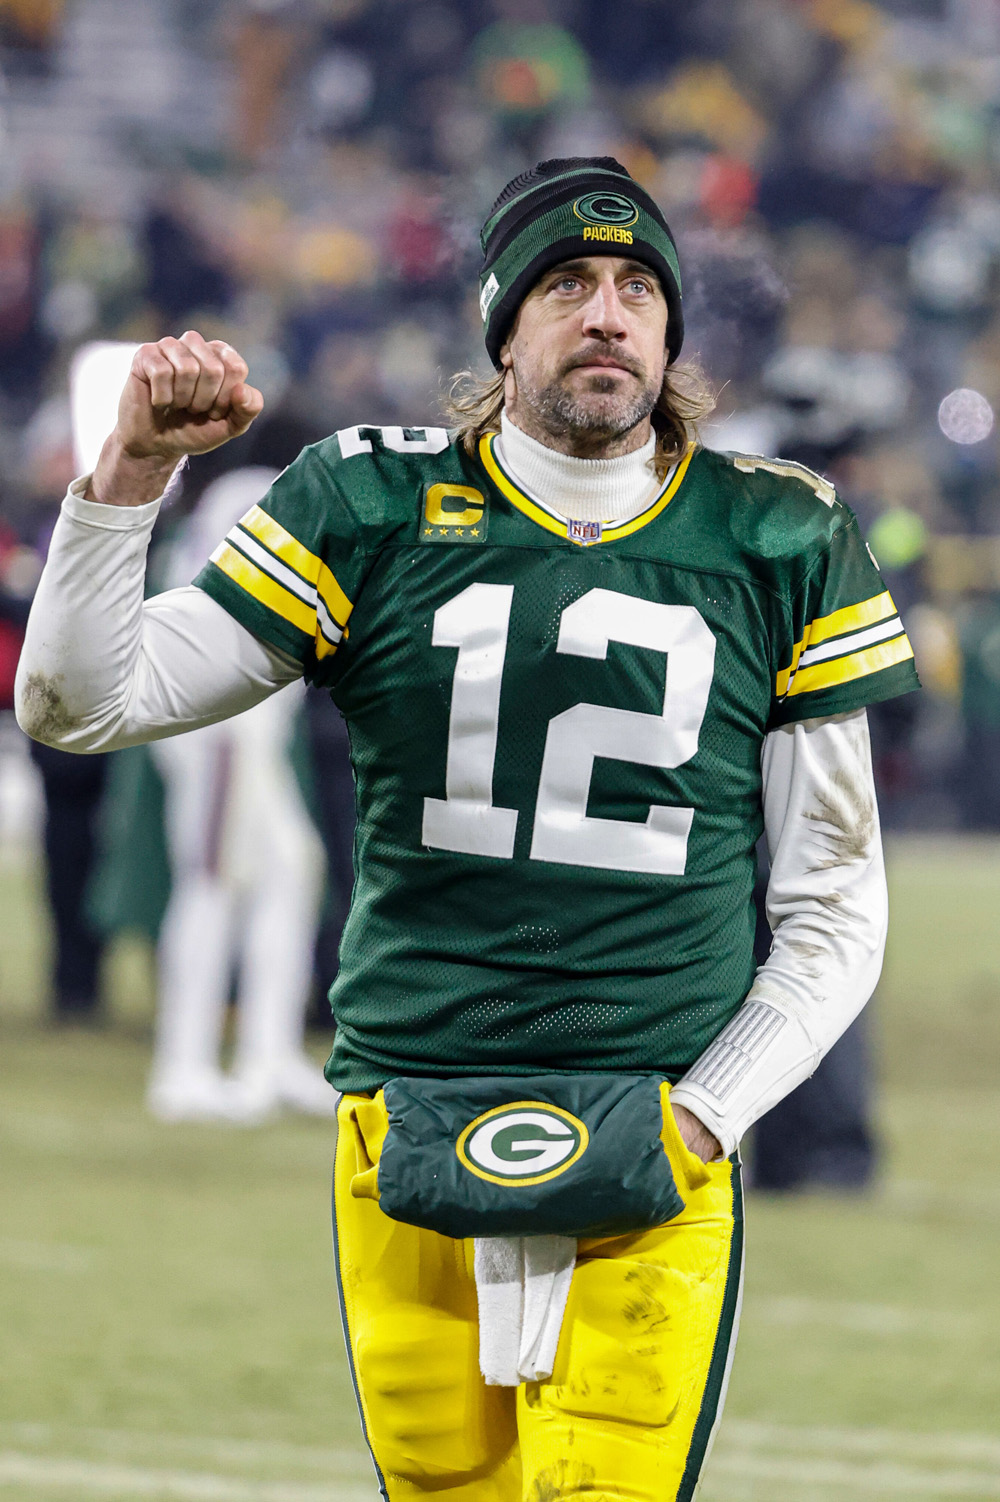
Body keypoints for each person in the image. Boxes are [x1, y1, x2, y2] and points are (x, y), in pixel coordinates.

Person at [16, 157, 918, 1502]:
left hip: (649, 1115)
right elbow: (80, 701)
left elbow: (837, 903)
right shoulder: (366, 503)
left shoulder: (778, 535)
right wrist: (131, 470)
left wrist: (709, 1117)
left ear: (672, 331)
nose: (607, 315)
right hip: (408, 1111)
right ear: (504, 326)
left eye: (635, 289)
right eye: (567, 285)